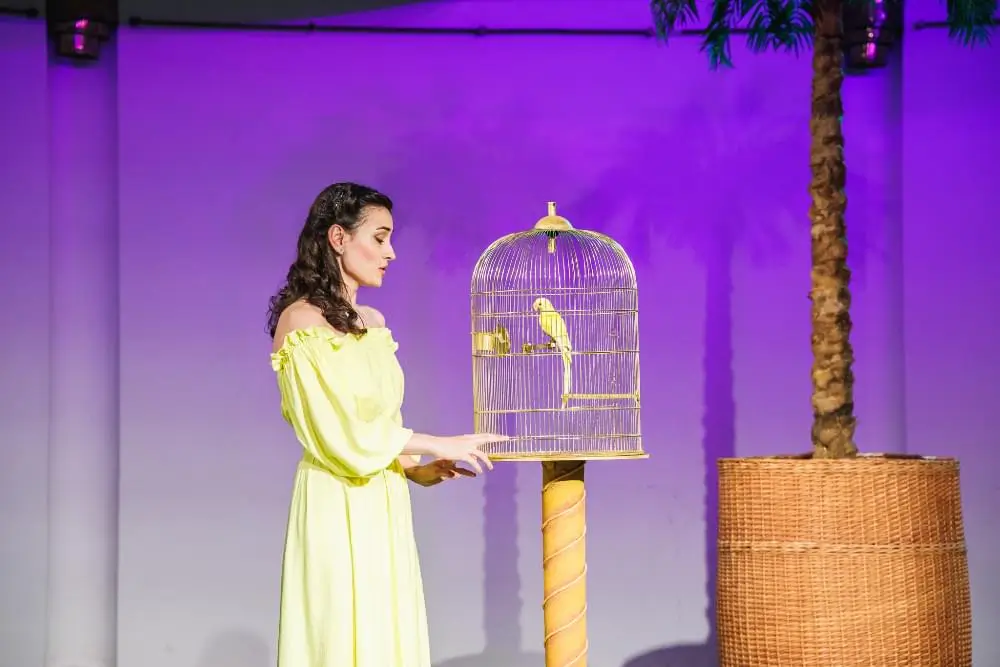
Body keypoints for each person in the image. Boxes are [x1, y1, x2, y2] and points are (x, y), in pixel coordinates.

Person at [266, 182, 504, 667]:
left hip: (382, 498)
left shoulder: (372, 322)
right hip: (336, 499)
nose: (390, 252)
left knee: (384, 633)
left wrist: (413, 467)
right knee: (339, 633)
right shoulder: (301, 323)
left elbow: (380, 422)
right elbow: (340, 434)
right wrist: (438, 442)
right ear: (338, 238)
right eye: (379, 238)